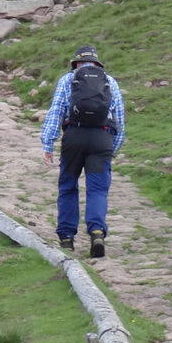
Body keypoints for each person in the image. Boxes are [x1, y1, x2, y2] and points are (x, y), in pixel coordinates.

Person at [39, 45, 126, 258]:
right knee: (97, 189)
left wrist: (48, 143)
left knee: (68, 186)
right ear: (96, 63)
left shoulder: (67, 80)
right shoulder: (110, 81)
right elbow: (120, 122)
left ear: (76, 63)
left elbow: (56, 111)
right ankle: (96, 232)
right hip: (101, 138)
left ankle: (67, 238)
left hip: (74, 137)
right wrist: (111, 148)